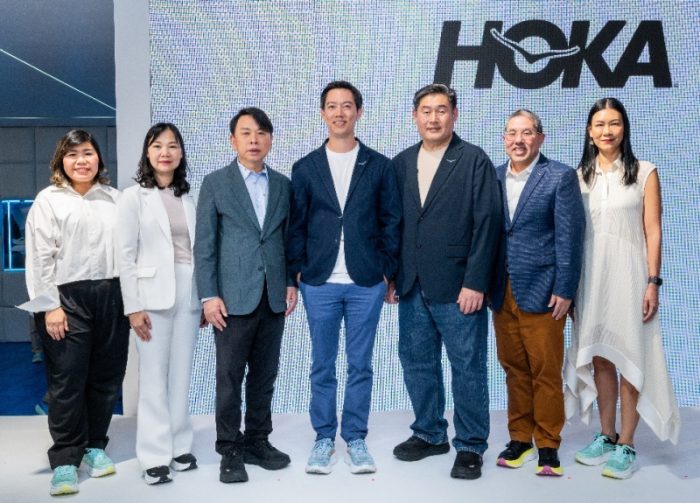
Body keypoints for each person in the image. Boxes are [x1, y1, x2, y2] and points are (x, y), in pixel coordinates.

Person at [287, 81, 401, 474]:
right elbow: (296, 226)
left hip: (366, 281)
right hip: (318, 282)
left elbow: (391, 222)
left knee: (361, 364)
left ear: (359, 112)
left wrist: (387, 272)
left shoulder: (379, 165)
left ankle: (355, 438)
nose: (340, 113)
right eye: (332, 106)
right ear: (323, 113)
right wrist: (296, 273)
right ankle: (323, 438)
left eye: (347, 106)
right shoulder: (305, 167)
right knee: (322, 364)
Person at [388, 84, 501, 479]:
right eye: (426, 110)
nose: (433, 118)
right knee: (416, 360)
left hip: (459, 286)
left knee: (467, 366)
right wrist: (392, 275)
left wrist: (476, 282)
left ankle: (470, 444)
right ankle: (429, 432)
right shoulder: (401, 163)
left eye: (441, 110)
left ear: (454, 115)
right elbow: (395, 224)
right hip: (412, 283)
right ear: (414, 116)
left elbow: (487, 224)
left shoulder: (473, 160)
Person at [564, 98, 681, 479]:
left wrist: (653, 281)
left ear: (624, 128)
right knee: (600, 357)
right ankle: (607, 435)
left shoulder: (645, 172)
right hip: (590, 279)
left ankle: (627, 443)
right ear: (589, 131)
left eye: (614, 123)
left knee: (630, 355)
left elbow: (653, 231)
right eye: (599, 124)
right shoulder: (577, 178)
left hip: (631, 277)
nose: (607, 131)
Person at [20, 130, 129, 496]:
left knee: (106, 377)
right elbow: (39, 257)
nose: (81, 161)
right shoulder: (48, 200)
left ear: (99, 158)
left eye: (87, 153)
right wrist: (50, 306)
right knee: (67, 380)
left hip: (112, 295)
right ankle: (66, 459)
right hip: (66, 300)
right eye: (72, 154)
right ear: (61, 161)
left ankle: (95, 446)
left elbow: (128, 252)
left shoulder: (115, 199)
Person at [194, 107, 298, 484]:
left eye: (261, 133)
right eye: (246, 133)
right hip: (231, 299)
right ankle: (229, 448)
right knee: (229, 378)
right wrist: (209, 295)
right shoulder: (215, 183)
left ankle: (257, 441)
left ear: (270, 139)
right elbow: (205, 245)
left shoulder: (283, 185)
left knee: (265, 376)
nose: (254, 140)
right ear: (232, 140)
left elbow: (286, 239)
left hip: (272, 296)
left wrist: (290, 282)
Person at [489, 109, 585, 476]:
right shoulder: (493, 176)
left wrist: (565, 288)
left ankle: (547, 443)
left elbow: (569, 238)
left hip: (544, 291)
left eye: (527, 132)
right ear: (504, 139)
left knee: (545, 371)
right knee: (514, 369)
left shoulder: (559, 176)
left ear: (540, 138)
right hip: (502, 290)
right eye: (512, 133)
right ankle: (519, 439)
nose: (519, 140)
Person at [116, 123, 200, 485]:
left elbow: (198, 251)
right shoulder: (133, 197)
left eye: (172, 146)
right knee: (153, 377)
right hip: (150, 296)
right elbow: (124, 255)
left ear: (181, 153)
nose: (165, 152)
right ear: (147, 153)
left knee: (181, 374)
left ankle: (180, 446)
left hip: (189, 291)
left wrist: (203, 297)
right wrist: (133, 307)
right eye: (157, 145)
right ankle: (153, 455)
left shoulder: (189, 196)